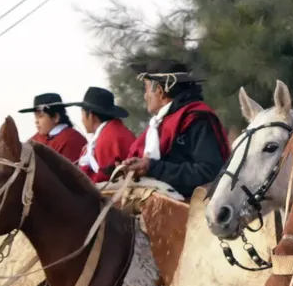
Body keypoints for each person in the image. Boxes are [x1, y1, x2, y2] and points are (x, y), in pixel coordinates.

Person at [120, 60, 229, 200]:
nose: (145, 96)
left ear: (160, 91)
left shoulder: (197, 119)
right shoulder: (160, 124)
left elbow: (209, 173)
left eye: (146, 89)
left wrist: (153, 168)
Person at [63, 87, 137, 184]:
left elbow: (103, 181)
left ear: (91, 116)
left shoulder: (107, 139)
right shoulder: (114, 131)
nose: (81, 120)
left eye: (82, 114)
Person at [18, 93, 87, 163]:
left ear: (56, 117)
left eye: (40, 116)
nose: (36, 121)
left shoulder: (71, 140)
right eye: (35, 117)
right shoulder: (36, 139)